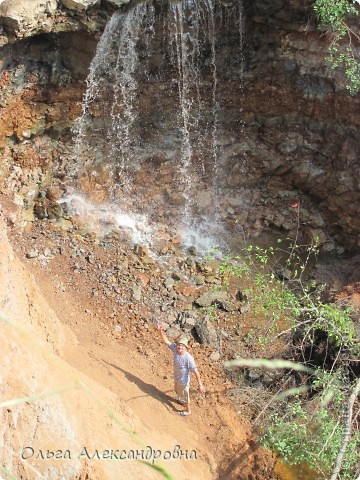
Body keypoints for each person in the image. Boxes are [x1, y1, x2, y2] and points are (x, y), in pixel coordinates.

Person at [158, 321, 205, 416]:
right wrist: (160, 331)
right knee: (177, 391)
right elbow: (166, 341)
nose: (180, 347)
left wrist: (200, 384)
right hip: (177, 378)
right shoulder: (175, 349)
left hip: (183, 382)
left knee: (185, 397)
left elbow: (195, 371)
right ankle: (181, 400)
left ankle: (188, 410)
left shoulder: (188, 358)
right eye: (179, 345)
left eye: (182, 346)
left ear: (186, 348)